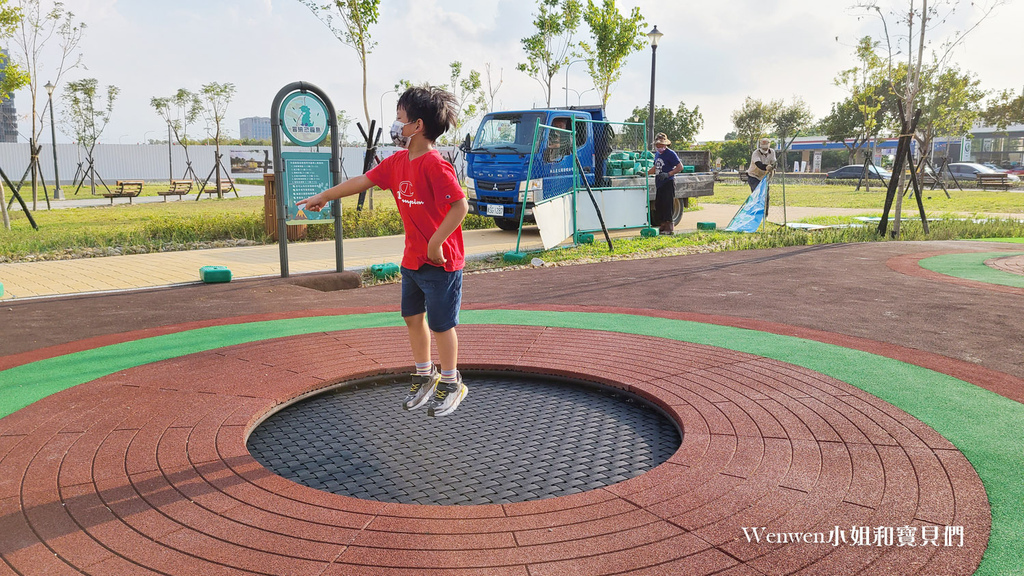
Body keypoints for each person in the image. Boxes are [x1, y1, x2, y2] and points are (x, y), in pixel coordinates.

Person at [296, 86, 470, 417]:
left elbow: (460, 206)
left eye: (399, 119)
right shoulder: (397, 162)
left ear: (417, 126)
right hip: (413, 260)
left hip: (441, 262)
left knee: (441, 325)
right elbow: (362, 181)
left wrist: (436, 242)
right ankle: (425, 375)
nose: (395, 125)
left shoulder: (436, 165)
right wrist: (325, 195)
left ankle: (451, 381)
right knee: (411, 318)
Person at [648, 133, 682, 234]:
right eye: (658, 145)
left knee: (668, 205)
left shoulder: (670, 154)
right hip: (659, 183)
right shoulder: (657, 154)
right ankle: (662, 225)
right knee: (659, 205)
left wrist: (668, 174)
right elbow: (655, 167)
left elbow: (680, 167)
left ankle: (669, 227)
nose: (659, 147)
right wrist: (646, 173)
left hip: (668, 182)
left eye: (661, 144)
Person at [747, 137, 777, 210]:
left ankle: (765, 214)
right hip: (754, 176)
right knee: (757, 195)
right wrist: (766, 167)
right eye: (763, 148)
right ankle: (756, 212)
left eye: (766, 148)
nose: (764, 150)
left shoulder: (772, 152)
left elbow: (774, 162)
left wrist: (772, 167)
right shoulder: (756, 153)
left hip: (764, 177)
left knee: (766, 196)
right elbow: (759, 164)